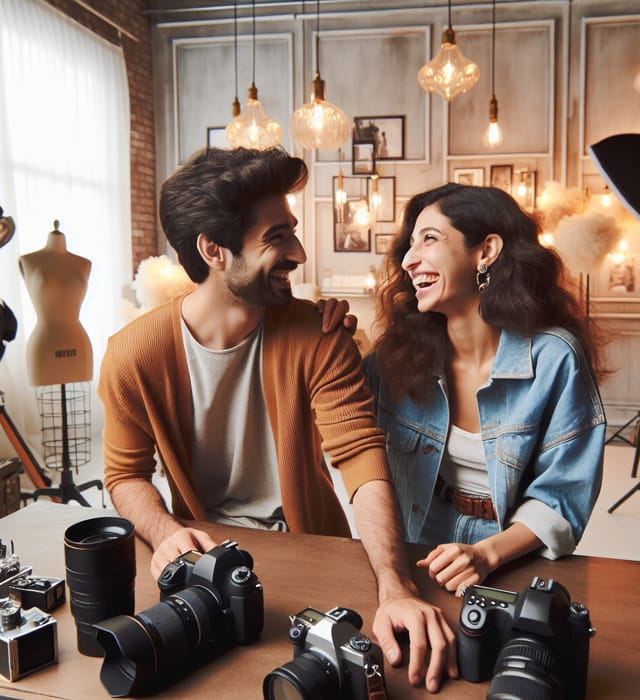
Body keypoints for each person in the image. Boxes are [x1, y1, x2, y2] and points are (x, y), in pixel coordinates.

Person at [98, 146, 457, 692]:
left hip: (313, 549)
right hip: (204, 564)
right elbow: (125, 475)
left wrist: (394, 583)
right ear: (214, 250)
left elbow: (359, 456)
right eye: (276, 237)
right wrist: (166, 532)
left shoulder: (320, 334)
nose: (300, 252)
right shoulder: (132, 356)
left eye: (291, 230)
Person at [362, 183, 607, 597]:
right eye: (410, 244)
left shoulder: (554, 358)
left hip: (513, 550)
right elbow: (337, 414)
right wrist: (323, 333)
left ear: (486, 251)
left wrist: (488, 554)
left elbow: (564, 494)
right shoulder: (397, 355)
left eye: (430, 239)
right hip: (418, 540)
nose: (408, 260)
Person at [18, 221, 93, 386]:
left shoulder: (84, 263)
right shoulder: (28, 260)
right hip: (44, 344)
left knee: (80, 410)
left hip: (78, 344)